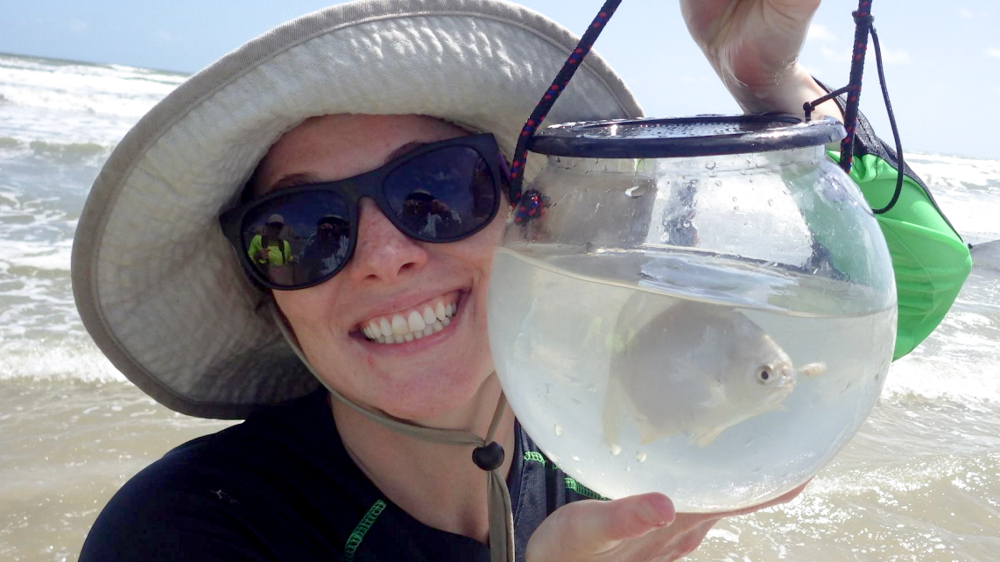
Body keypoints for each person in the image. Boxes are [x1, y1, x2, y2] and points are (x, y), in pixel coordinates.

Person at [71, 1, 969, 561]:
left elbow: (907, 290)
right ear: (270, 299)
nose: (386, 255)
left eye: (435, 192)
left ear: (526, 213)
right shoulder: (195, 531)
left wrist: (767, 83)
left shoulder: (597, 431)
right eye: (303, 234)